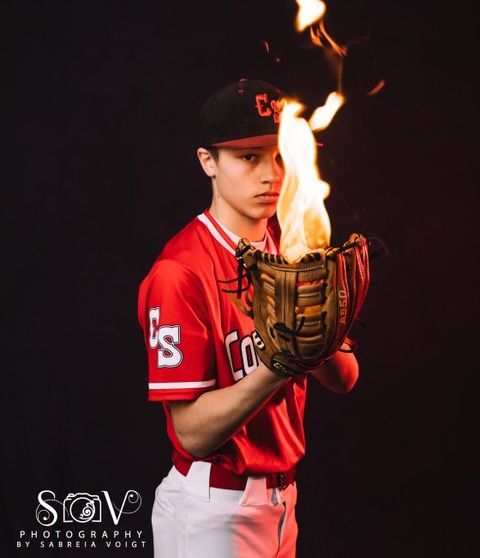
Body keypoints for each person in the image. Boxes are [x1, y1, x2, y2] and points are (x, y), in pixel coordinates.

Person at [137, 78, 359, 558]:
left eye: (278, 156)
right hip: (212, 511)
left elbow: (344, 379)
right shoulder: (181, 272)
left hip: (284, 502)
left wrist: (324, 331)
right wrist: (279, 365)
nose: (270, 175)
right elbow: (191, 434)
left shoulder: (294, 246)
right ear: (208, 162)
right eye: (248, 157)